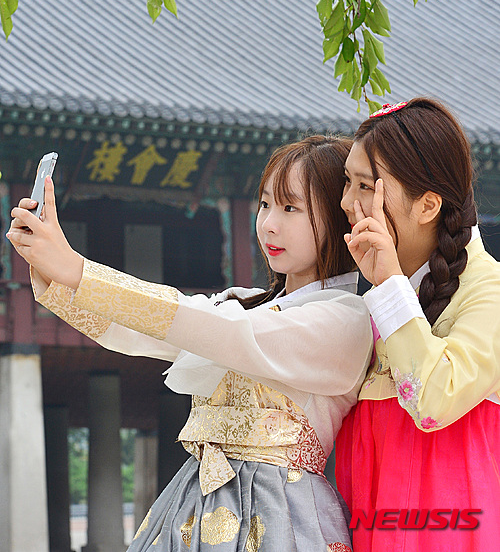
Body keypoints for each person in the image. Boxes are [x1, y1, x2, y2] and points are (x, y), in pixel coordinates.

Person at [8, 135, 372, 552]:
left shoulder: (344, 320)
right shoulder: (242, 304)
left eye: (290, 208)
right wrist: (53, 270)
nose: (269, 224)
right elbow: (142, 331)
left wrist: (77, 269)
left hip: (281, 515)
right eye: (265, 204)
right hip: (192, 506)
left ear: (339, 216)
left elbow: (216, 328)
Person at [335, 98, 500, 551]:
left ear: (427, 205)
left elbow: (432, 401)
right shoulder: (380, 288)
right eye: (347, 182)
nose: (347, 202)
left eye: (366, 186)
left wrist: (389, 285)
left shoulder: (490, 290)